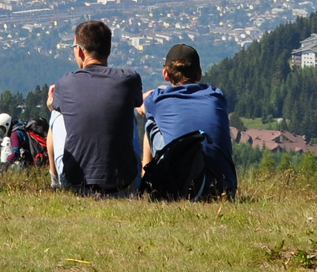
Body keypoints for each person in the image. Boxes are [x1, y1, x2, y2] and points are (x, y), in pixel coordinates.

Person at [47, 19, 142, 195]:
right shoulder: (129, 79)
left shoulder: (66, 83)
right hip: (125, 184)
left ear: (80, 51)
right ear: (109, 49)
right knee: (129, 112)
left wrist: (52, 104)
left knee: (57, 114)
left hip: (77, 184)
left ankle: (55, 183)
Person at [138, 43, 237, 200]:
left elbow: (140, 102)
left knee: (151, 122)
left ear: (166, 74)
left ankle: (147, 186)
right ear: (199, 74)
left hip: (181, 190)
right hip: (224, 189)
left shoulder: (157, 100)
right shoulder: (217, 96)